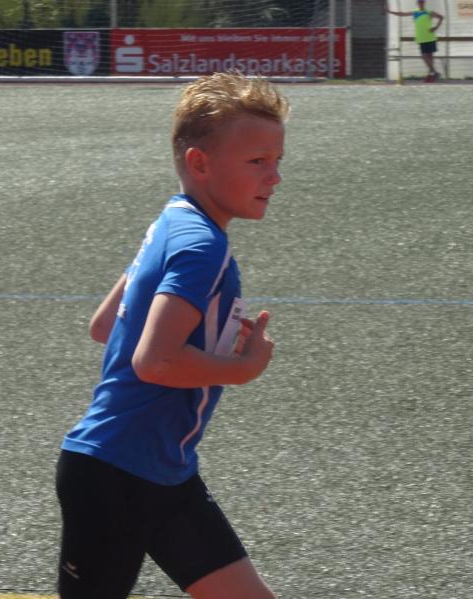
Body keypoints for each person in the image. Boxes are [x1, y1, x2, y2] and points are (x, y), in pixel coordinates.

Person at [56, 71, 288, 599]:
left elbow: (104, 325)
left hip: (164, 473)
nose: (274, 176)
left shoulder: (172, 219)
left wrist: (206, 345)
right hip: (116, 476)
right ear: (200, 163)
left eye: (278, 160)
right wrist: (244, 368)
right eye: (257, 161)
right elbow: (154, 361)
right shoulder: (204, 247)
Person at [386, 0, 444, 82]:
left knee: (430, 57)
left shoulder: (429, 12)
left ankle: (432, 74)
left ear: (424, 3)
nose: (421, 3)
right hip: (422, 39)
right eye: (419, 2)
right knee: (424, 56)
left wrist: (436, 27)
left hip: (430, 38)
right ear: (417, 3)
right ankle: (434, 72)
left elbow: (441, 17)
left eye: (422, 2)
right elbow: (402, 14)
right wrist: (390, 12)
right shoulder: (415, 12)